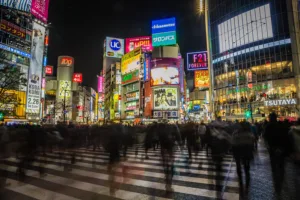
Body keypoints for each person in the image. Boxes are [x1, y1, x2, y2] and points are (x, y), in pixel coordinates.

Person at [264, 112, 291, 194]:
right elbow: (287, 137)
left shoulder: (268, 126)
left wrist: (269, 146)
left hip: (273, 147)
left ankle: (276, 180)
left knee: (273, 163)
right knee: (281, 164)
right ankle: (281, 179)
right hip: (281, 147)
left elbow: (266, 137)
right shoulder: (282, 125)